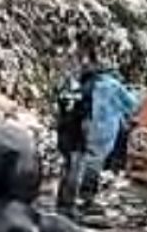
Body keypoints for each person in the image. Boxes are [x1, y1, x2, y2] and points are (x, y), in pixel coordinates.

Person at [54, 43, 139, 220]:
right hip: (92, 131)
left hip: (69, 131)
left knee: (71, 165)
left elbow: (62, 106)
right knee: (88, 165)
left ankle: (65, 204)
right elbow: (132, 105)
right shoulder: (108, 85)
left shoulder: (70, 84)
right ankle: (84, 202)